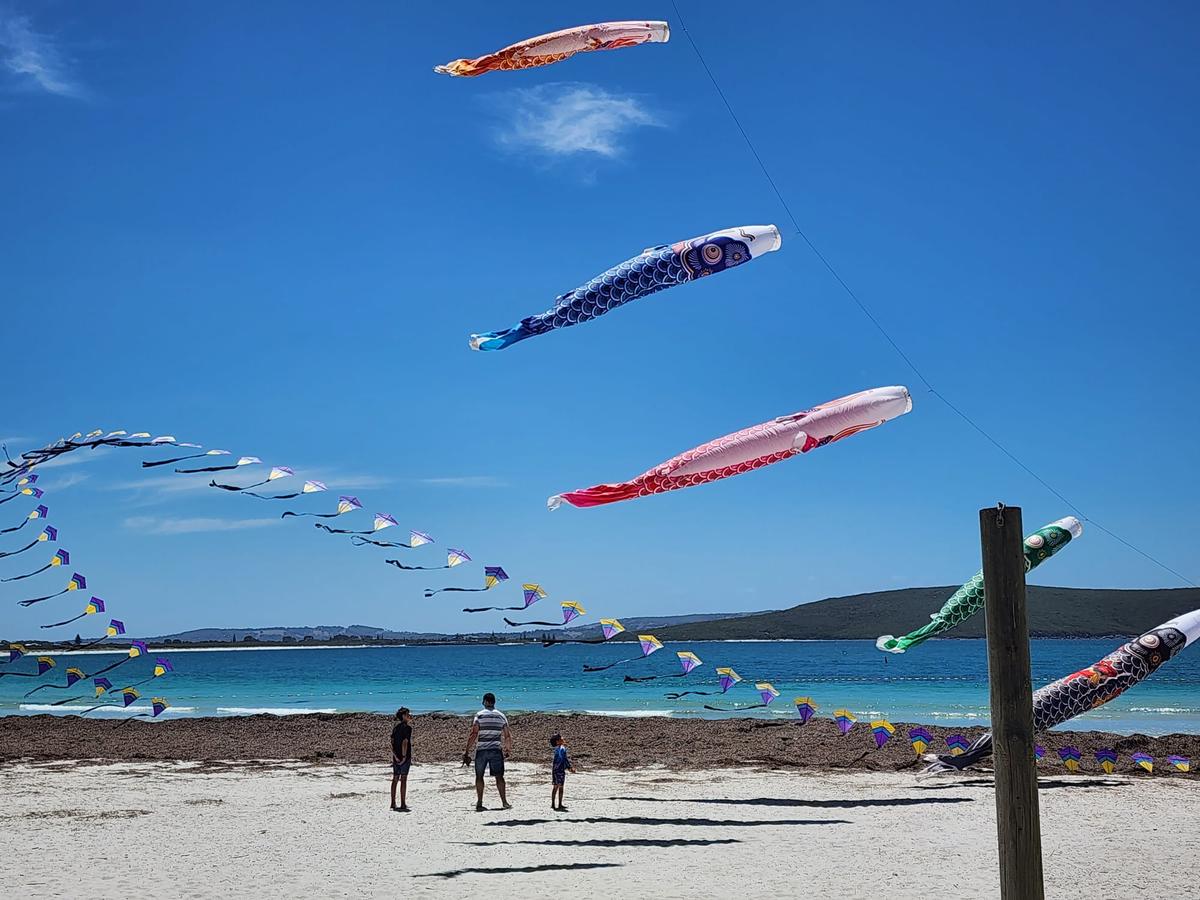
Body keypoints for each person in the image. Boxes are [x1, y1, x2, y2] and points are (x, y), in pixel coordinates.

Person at [463, 692, 512, 811]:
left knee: (479, 776)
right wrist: (508, 749)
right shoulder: (501, 716)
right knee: (499, 777)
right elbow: (507, 735)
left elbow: (474, 733)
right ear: (494, 702)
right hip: (496, 750)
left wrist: (467, 750)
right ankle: (504, 802)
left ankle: (479, 802)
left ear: (485, 701)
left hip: (482, 749)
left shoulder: (479, 715)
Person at [390, 707, 413, 812]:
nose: (410, 716)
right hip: (404, 756)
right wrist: (403, 757)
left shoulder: (396, 728)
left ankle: (393, 802)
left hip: (396, 756)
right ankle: (403, 803)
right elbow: (405, 742)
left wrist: (395, 755)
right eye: (408, 714)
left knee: (395, 778)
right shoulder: (407, 728)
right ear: (403, 716)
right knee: (403, 779)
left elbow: (392, 742)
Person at [549, 733, 575, 811]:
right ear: (557, 741)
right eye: (561, 738)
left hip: (555, 770)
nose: (563, 738)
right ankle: (559, 804)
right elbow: (564, 759)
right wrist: (569, 767)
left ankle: (553, 804)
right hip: (560, 770)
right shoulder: (562, 749)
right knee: (560, 787)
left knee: (555, 786)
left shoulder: (556, 749)